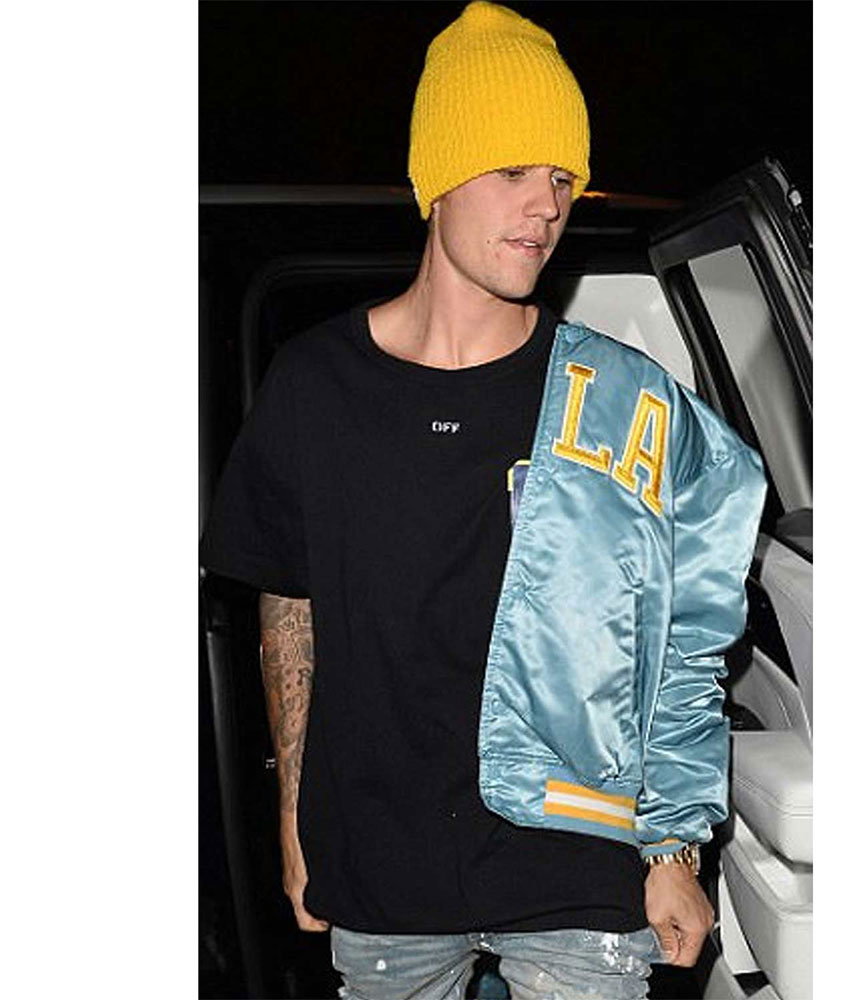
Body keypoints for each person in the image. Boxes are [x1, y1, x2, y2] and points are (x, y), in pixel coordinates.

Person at [201, 3, 767, 998]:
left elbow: (684, 630)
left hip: (577, 861)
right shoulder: (313, 388)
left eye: (562, 179)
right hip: (379, 863)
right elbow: (290, 607)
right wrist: (293, 824)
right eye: (512, 171)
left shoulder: (618, 399)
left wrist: (674, 845)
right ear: (436, 179)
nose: (545, 206)